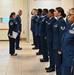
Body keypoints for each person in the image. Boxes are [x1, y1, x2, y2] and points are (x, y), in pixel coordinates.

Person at [53, 7, 66, 75]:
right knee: (57, 63)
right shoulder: (57, 21)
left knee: (58, 64)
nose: (54, 12)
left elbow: (61, 36)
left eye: (55, 11)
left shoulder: (61, 22)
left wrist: (60, 48)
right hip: (55, 44)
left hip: (58, 46)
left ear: (59, 13)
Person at [61, 8, 74, 75]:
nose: (67, 16)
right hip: (65, 56)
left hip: (71, 58)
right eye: (67, 15)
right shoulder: (70, 25)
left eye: (70, 15)